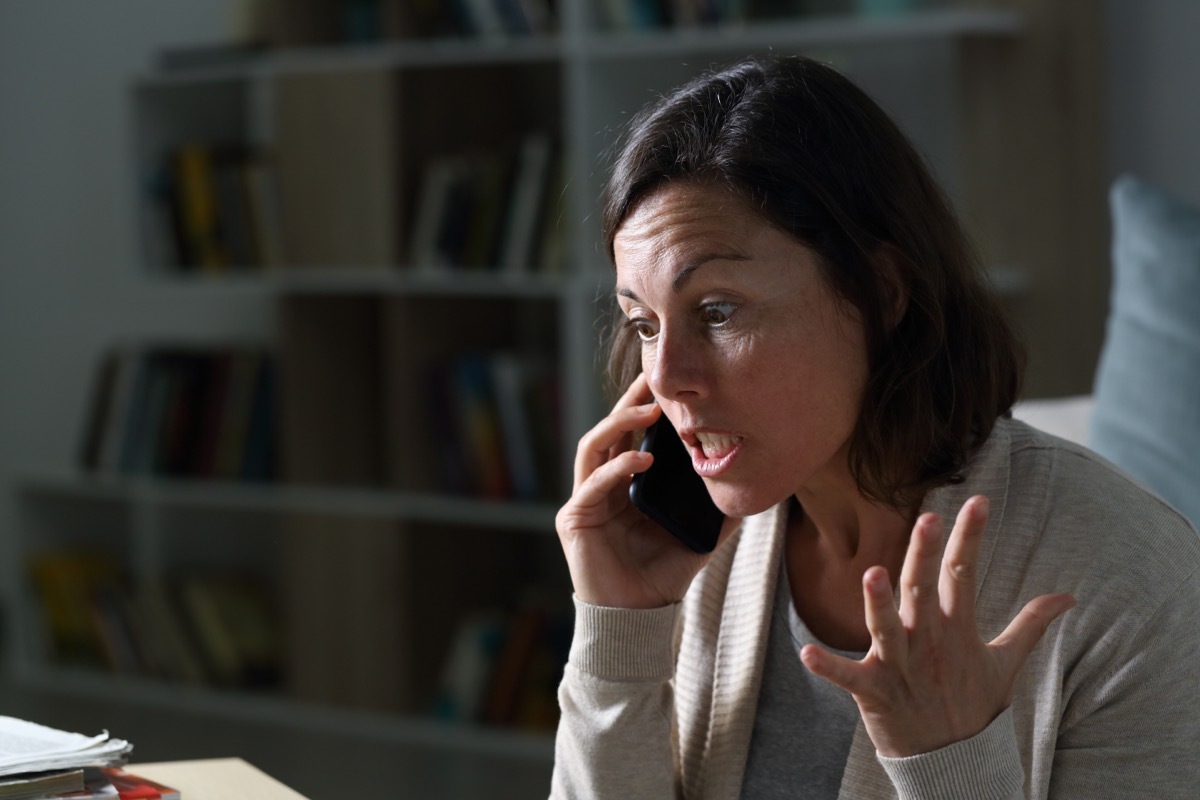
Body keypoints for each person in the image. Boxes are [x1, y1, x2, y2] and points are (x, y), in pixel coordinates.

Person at [548, 54, 1200, 799]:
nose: (665, 377)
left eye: (718, 310)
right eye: (644, 323)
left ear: (882, 291)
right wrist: (619, 633)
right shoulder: (688, 562)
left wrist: (949, 765)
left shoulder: (1133, 582)